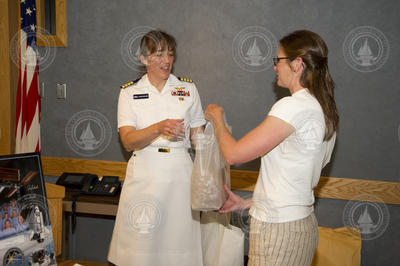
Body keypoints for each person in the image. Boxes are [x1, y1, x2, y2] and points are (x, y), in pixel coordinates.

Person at [205, 30, 339, 266]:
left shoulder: (292, 106)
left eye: (278, 61)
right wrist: (248, 202)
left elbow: (233, 154)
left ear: (297, 64)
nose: (275, 67)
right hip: (299, 223)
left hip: (279, 231)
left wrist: (216, 119)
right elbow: (294, 177)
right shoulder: (323, 109)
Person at [108, 30, 206, 266]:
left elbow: (198, 139)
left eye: (170, 54)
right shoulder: (130, 92)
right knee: (142, 244)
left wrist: (210, 168)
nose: (166, 61)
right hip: (145, 173)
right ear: (144, 58)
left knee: (179, 240)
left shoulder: (188, 89)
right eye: (159, 54)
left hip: (180, 174)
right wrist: (159, 128)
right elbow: (128, 140)